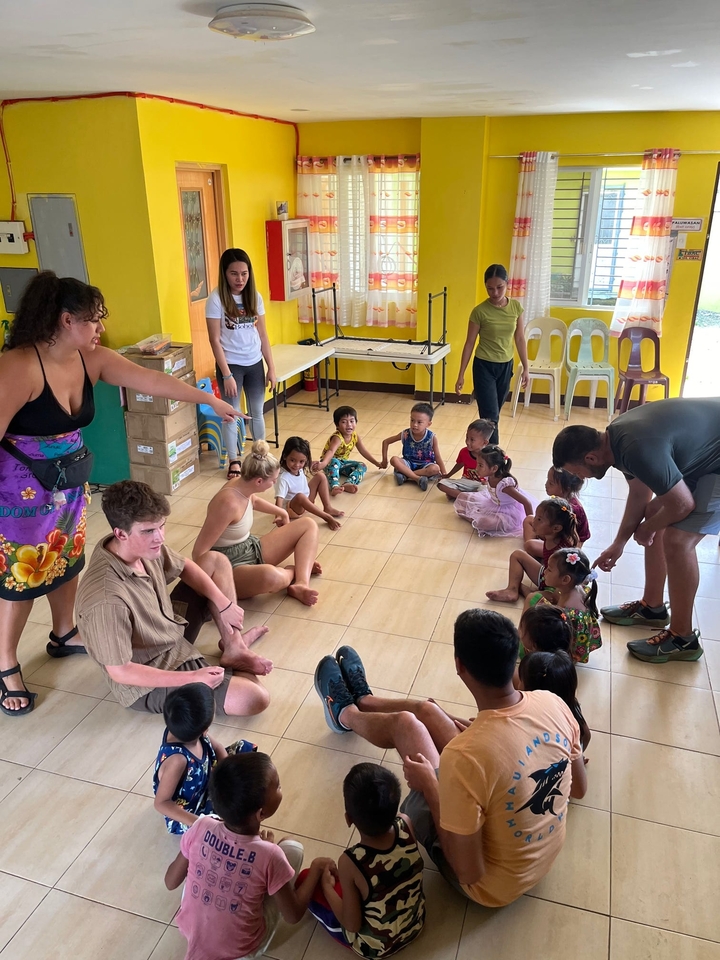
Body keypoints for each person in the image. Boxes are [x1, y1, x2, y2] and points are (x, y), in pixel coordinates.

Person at [0, 272, 239, 716]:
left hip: (66, 482)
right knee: (21, 580)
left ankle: (63, 632)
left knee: (65, 559)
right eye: (93, 321)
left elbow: (153, 382)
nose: (101, 330)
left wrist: (209, 401)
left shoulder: (90, 359)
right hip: (19, 492)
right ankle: (6, 664)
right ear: (65, 320)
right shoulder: (19, 366)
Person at [313, 613, 586, 908]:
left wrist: (430, 785)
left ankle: (345, 714)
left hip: (491, 889)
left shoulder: (464, 757)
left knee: (406, 726)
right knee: (426, 711)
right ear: (515, 662)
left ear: (459, 666)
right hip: (542, 859)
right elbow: (576, 785)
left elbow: (469, 872)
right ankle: (364, 701)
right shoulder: (554, 703)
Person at [76, 481, 272, 720]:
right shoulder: (105, 599)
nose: (159, 537)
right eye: (149, 531)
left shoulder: (136, 545)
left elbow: (186, 566)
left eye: (162, 526)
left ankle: (235, 648)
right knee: (255, 698)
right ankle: (231, 666)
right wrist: (192, 678)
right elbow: (120, 671)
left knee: (215, 561)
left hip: (168, 631)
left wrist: (224, 603)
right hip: (149, 674)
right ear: (121, 533)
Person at [553, 399, 720, 663]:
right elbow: (641, 494)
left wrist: (646, 530)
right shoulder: (616, 439)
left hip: (715, 461)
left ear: (591, 458)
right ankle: (652, 608)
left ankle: (683, 638)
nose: (580, 478)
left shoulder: (635, 447)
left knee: (678, 541)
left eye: (578, 472)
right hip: (702, 455)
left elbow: (683, 504)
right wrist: (619, 543)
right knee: (655, 513)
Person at [165, 752, 336, 960]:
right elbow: (293, 915)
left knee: (201, 858)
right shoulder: (271, 855)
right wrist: (316, 868)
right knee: (293, 847)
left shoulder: (201, 824)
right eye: (279, 786)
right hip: (241, 949)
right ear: (261, 813)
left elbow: (171, 881)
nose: (281, 788)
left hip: (190, 929)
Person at [302, 762, 426, 958]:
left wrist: (326, 887)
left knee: (305, 879)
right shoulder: (406, 822)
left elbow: (352, 924)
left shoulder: (351, 861)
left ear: (348, 819)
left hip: (376, 948)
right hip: (416, 924)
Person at [193, 440, 321, 607]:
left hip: (249, 547)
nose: (275, 483)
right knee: (274, 577)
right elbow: (199, 553)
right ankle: (293, 571)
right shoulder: (227, 504)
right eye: (273, 480)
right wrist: (212, 592)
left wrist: (281, 511)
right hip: (229, 566)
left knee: (308, 525)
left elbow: (253, 501)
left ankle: (301, 583)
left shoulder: (243, 485)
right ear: (259, 481)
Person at [206, 248, 277, 478]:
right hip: (231, 365)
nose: (240, 279)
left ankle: (260, 456)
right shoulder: (216, 299)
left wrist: (271, 368)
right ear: (224, 274)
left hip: (254, 362)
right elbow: (214, 340)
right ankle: (234, 460)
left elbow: (264, 335)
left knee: (257, 412)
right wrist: (226, 374)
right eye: (234, 274)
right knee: (232, 413)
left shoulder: (255, 297)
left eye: (244, 274)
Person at [454, 264, 529, 445]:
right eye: (490, 288)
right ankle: (494, 456)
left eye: (499, 287)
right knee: (490, 415)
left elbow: (519, 338)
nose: (494, 292)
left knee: (494, 413)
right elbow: (470, 343)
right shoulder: (479, 312)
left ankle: (483, 449)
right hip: (484, 366)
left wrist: (526, 367)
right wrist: (461, 374)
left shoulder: (516, 308)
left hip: (506, 366)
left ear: (507, 284)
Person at [153, 683, 228, 835]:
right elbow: (161, 803)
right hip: (192, 808)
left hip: (208, 778)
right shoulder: (177, 760)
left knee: (243, 752)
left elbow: (219, 748)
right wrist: (199, 822)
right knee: (224, 824)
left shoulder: (185, 727)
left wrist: (227, 775)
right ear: (205, 728)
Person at [487, 497, 579, 603]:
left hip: (555, 587)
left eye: (539, 520)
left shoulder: (564, 549)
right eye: (536, 517)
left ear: (556, 528)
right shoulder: (550, 534)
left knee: (538, 598)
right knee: (517, 554)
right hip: (545, 576)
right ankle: (512, 589)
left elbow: (566, 582)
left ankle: (524, 590)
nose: (534, 521)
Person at [524, 548, 602, 665]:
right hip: (574, 641)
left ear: (565, 579)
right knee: (533, 596)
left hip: (562, 653)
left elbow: (556, 634)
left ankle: (525, 638)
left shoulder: (565, 610)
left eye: (549, 569)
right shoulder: (580, 588)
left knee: (531, 599)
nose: (544, 571)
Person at [454, 445, 536, 537]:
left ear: (494, 468)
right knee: (462, 497)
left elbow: (526, 503)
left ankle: (472, 518)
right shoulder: (489, 475)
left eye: (480, 465)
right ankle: (476, 515)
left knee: (484, 523)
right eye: (477, 464)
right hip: (491, 503)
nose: (476, 468)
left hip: (507, 513)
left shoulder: (505, 485)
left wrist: (531, 524)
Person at [518, 651, 591, 751]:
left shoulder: (532, 722)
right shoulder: (571, 707)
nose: (518, 685)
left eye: (521, 681)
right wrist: (580, 756)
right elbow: (587, 735)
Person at [275, 436, 343, 531]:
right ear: (285, 456)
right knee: (300, 496)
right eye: (292, 460)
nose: (297, 465)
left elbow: (305, 465)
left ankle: (328, 507)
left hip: (306, 500)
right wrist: (278, 515)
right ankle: (326, 517)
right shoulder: (283, 477)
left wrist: (313, 464)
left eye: (301, 461)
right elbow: (279, 498)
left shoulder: (300, 467)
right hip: (292, 509)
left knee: (321, 476)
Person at [313, 406, 382, 496]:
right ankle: (335, 486)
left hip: (343, 463)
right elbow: (330, 451)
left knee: (362, 466)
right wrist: (323, 464)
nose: (349, 425)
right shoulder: (337, 438)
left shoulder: (355, 436)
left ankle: (348, 483)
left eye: (352, 421)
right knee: (334, 461)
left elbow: (363, 451)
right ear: (337, 425)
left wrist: (376, 463)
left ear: (356, 422)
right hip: (329, 462)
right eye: (344, 422)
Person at [380, 402, 446, 491]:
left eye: (419, 422)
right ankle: (417, 478)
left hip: (426, 465)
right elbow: (386, 442)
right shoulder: (405, 434)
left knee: (435, 469)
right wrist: (384, 460)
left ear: (428, 424)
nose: (414, 424)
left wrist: (445, 474)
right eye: (412, 420)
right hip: (408, 463)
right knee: (394, 460)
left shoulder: (432, 437)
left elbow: (438, 457)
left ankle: (405, 476)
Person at [523, 466, 590, 553]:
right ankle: (536, 548)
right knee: (529, 519)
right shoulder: (558, 500)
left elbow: (573, 539)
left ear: (566, 488)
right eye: (547, 480)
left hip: (566, 545)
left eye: (551, 483)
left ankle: (536, 551)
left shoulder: (572, 510)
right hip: (556, 534)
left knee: (530, 545)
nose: (546, 485)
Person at [437, 419, 494, 498]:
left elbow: (496, 473)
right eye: (467, 437)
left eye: (472, 440)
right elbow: (459, 465)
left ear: (485, 442)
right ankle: (468, 497)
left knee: (485, 489)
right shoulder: (464, 452)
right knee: (442, 484)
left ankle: (461, 496)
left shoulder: (490, 456)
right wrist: (448, 475)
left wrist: (489, 482)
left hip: (482, 484)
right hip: (466, 482)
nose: (467, 442)